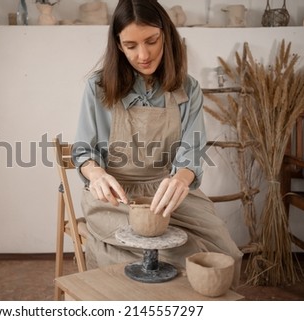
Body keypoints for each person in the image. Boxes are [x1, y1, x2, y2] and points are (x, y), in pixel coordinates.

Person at [72, 0, 242, 287]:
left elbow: (191, 153)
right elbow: (84, 151)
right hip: (116, 196)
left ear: (166, 34)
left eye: (152, 41)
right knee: (172, 254)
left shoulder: (188, 89)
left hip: (168, 190)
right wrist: (96, 174)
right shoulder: (98, 87)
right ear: (118, 45)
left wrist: (181, 179)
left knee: (224, 255)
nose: (143, 55)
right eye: (131, 46)